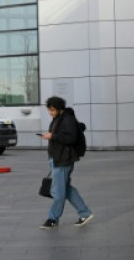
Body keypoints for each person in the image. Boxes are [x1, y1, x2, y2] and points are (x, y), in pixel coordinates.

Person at [39, 96, 93, 229]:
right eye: (49, 110)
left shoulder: (67, 119)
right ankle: (85, 213)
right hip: (57, 158)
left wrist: (52, 136)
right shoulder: (59, 118)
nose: (50, 112)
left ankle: (53, 219)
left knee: (58, 191)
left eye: (52, 110)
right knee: (66, 189)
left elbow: (71, 138)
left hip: (63, 160)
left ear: (59, 108)